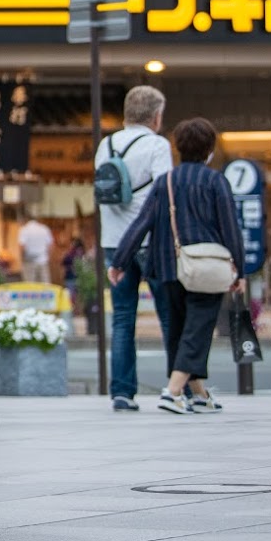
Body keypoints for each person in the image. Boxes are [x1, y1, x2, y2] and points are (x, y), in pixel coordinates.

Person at [110, 117, 245, 416]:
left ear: (177, 148)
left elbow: (141, 223)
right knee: (197, 330)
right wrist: (240, 269)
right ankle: (172, 393)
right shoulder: (215, 181)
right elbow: (230, 228)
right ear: (210, 149)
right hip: (206, 267)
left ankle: (197, 394)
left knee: (179, 331)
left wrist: (120, 261)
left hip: (169, 267)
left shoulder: (165, 182)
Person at [95, 85, 173, 411]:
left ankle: (122, 393)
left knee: (123, 318)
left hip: (113, 243)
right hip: (150, 242)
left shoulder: (106, 144)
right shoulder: (157, 145)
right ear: (156, 116)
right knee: (170, 317)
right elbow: (165, 195)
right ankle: (178, 386)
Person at [17, 216, 55, 283]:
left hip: (29, 262)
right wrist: (48, 257)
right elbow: (51, 245)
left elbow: (22, 246)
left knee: (30, 285)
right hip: (43, 261)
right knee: (45, 285)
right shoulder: (44, 229)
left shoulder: (24, 230)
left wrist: (21, 260)